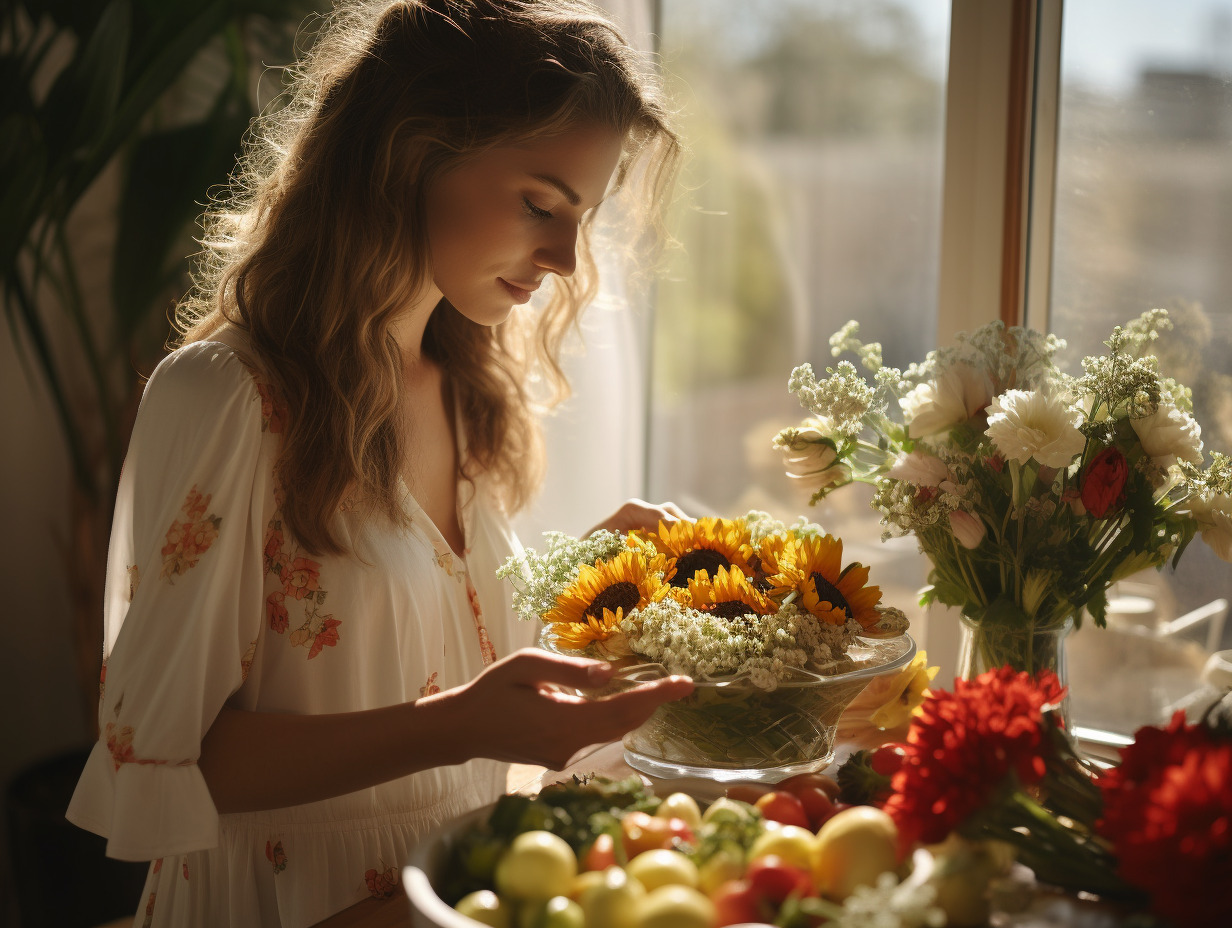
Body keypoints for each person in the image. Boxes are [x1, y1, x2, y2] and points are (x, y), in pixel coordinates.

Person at [66, 1, 694, 924]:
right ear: (411, 154)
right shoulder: (231, 397)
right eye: (539, 204)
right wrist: (459, 727)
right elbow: (162, 761)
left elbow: (432, 652)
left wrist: (587, 584)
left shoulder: (470, 388)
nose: (564, 257)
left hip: (452, 896)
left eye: (582, 218)